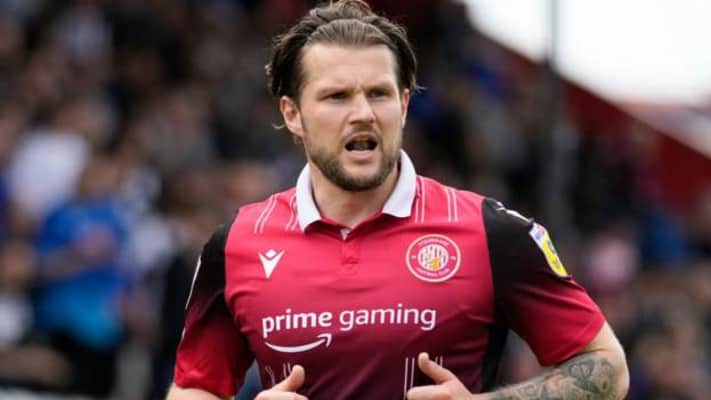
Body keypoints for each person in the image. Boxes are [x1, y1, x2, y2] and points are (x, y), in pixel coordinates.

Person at [166, 1, 629, 399]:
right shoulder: (237, 244)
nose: (363, 113)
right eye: (336, 96)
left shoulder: (490, 231)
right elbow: (194, 387)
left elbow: (607, 366)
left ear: (404, 105)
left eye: (379, 94)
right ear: (293, 114)